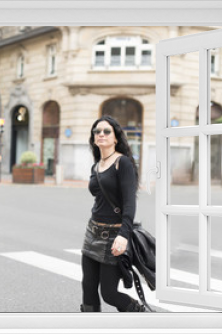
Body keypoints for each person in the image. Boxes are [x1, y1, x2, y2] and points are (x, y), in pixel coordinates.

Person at [80, 115, 144, 313]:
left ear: (115, 137)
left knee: (109, 293)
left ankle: (138, 313)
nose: (101, 134)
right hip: (92, 233)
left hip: (113, 236)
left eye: (106, 131)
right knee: (88, 287)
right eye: (97, 131)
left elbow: (129, 203)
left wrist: (123, 235)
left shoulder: (122, 163)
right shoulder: (96, 165)